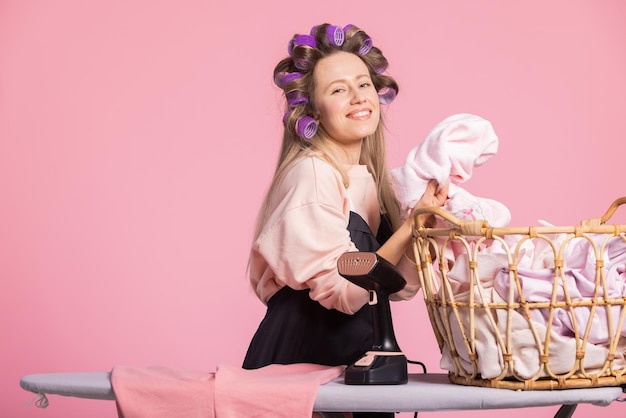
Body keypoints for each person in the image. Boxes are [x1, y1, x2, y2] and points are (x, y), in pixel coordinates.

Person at [242, 23, 448, 416]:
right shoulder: (312, 174)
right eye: (338, 89)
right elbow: (347, 291)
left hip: (356, 362)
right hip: (299, 367)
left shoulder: (369, 181)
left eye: (364, 84)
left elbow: (396, 286)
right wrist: (408, 227)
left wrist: (426, 229)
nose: (359, 97)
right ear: (313, 110)